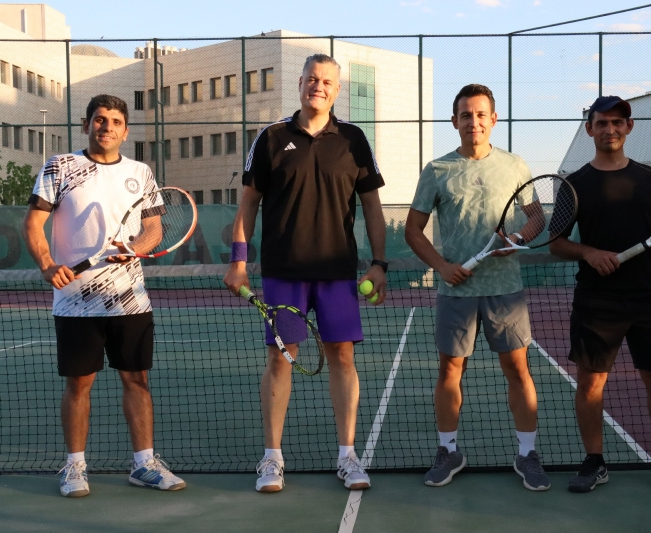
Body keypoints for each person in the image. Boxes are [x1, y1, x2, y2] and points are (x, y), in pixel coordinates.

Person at [223, 54, 387, 493]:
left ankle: (347, 456)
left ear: (337, 90)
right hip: (284, 274)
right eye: (312, 79)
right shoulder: (271, 137)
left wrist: (379, 263)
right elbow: (248, 203)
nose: (319, 86)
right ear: (300, 84)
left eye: (327, 81)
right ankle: (272, 458)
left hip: (337, 275)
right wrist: (238, 261)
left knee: (343, 358)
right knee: (281, 358)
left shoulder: (354, 140)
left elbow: (372, 206)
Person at [22, 94, 186, 497]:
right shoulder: (60, 167)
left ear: (125, 131)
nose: (106, 127)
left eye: (115, 121)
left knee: (137, 380)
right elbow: (33, 223)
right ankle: (75, 467)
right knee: (79, 384)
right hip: (75, 301)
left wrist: (134, 248)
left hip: (130, 299)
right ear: (86, 125)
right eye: (99, 119)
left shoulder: (140, 172)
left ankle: (144, 465)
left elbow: (153, 230)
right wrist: (47, 264)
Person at [404, 84, 551, 491]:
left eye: (481, 114)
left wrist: (517, 240)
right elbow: (413, 230)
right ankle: (448, 450)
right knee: (450, 371)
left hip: (505, 289)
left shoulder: (515, 165)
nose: (474, 122)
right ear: (455, 121)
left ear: (493, 119)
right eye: (466, 115)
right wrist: (442, 267)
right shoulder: (437, 170)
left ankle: (527, 454)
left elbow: (536, 218)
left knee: (517, 369)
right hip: (457, 292)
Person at [548, 95, 651, 495]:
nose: (610, 129)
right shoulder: (573, 185)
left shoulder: (649, 178)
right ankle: (594, 462)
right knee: (590, 384)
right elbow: (556, 243)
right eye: (602, 123)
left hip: (650, 295)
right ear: (590, 129)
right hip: (598, 300)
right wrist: (589, 253)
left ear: (629, 127)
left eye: (617, 122)